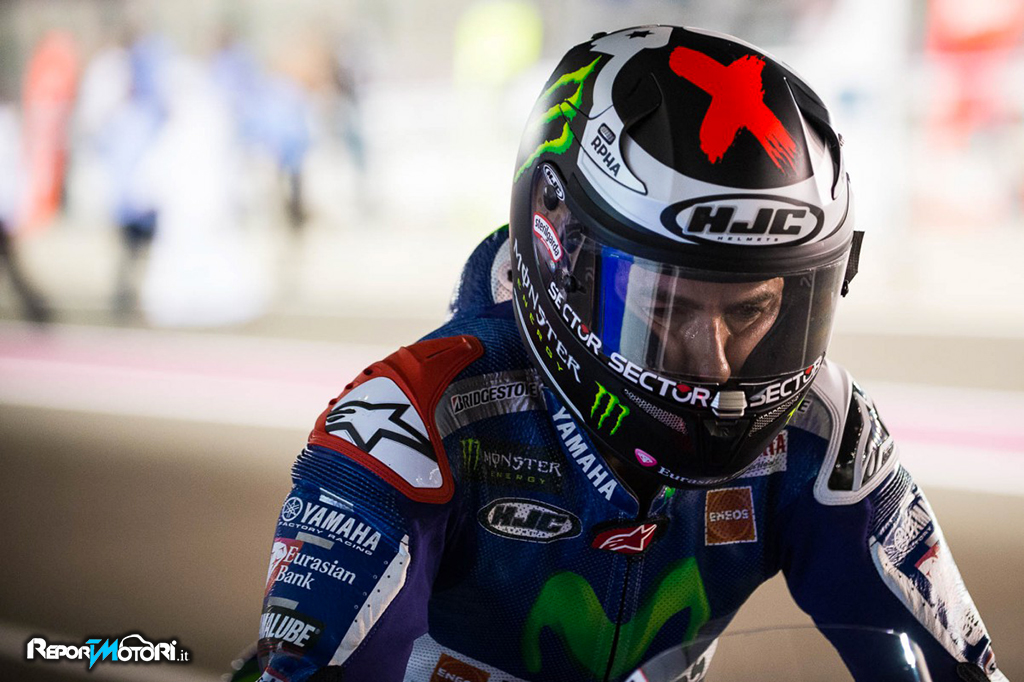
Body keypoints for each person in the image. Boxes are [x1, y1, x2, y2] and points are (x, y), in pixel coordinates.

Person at [252, 26, 1007, 682]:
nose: (717, 365)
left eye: (751, 309)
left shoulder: (821, 433)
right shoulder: (411, 423)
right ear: (555, 246)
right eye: (668, 307)